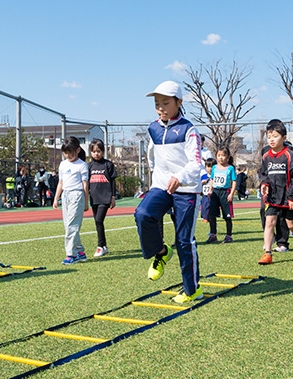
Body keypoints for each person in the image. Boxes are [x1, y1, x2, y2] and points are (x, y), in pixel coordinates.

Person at [134, 81, 204, 304]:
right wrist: (157, 180)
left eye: (165, 103)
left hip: (187, 190)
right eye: (157, 104)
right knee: (143, 214)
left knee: (184, 241)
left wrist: (179, 177)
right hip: (161, 186)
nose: (160, 107)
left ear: (179, 102)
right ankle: (161, 253)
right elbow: (152, 158)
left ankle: (192, 289)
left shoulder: (189, 130)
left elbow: (195, 163)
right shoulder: (153, 129)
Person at [258, 120, 293, 264]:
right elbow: (264, 173)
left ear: (284, 138)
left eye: (275, 136)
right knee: (269, 222)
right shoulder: (266, 156)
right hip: (272, 197)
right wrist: (264, 183)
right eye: (269, 136)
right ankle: (267, 253)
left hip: (287, 197)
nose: (271, 139)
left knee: (291, 224)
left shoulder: (290, 155)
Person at [53, 136, 90, 264]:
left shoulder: (82, 165)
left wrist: (86, 202)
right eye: (65, 152)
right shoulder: (63, 164)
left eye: (70, 152)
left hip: (77, 195)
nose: (68, 155)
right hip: (66, 196)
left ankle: (71, 254)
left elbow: (85, 185)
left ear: (78, 150)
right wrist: (56, 198)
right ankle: (80, 252)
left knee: (72, 226)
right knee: (68, 226)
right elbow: (61, 183)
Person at [88, 139, 117, 257]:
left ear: (103, 151)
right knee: (97, 222)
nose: (96, 153)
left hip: (105, 198)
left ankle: (100, 247)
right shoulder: (89, 166)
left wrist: (113, 197)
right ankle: (104, 246)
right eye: (94, 151)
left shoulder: (108, 164)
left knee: (99, 220)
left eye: (99, 151)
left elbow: (113, 181)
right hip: (93, 199)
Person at [206, 148, 237, 244]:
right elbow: (212, 179)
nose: (221, 158)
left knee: (227, 216)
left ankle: (228, 236)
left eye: (223, 155)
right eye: (219, 155)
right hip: (215, 193)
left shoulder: (230, 168)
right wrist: (210, 190)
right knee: (211, 214)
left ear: (227, 157)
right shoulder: (214, 167)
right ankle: (213, 235)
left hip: (225, 193)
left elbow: (234, 181)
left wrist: (231, 194)